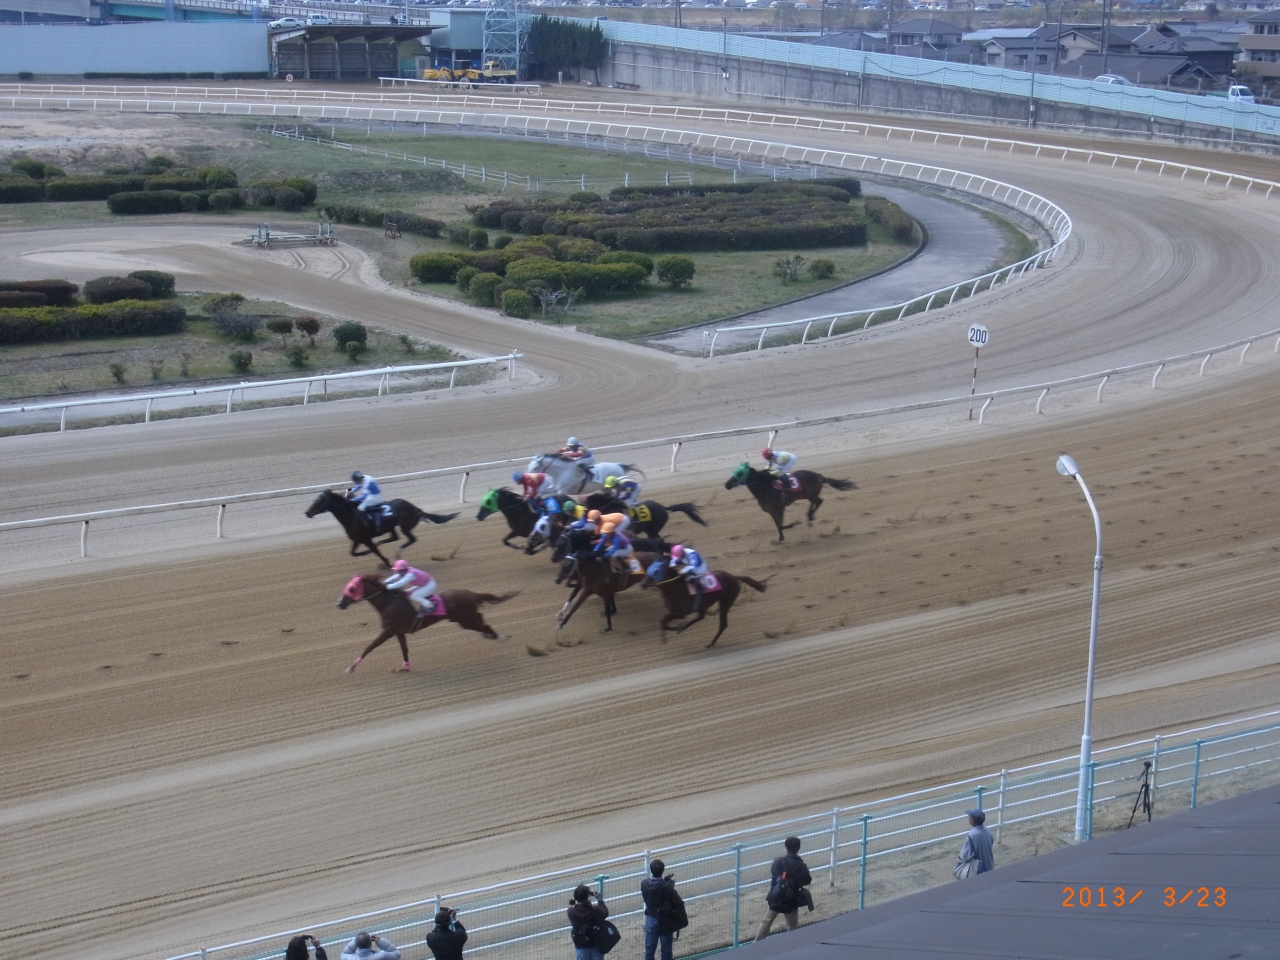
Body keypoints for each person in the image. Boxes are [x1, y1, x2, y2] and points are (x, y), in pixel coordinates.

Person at [753, 836, 813, 941]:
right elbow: (807, 880)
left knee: (765, 923)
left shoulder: (778, 861)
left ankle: (756, 944)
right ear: (798, 848)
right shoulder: (801, 865)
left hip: (775, 897)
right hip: (791, 901)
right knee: (792, 927)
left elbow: (774, 874)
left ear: (786, 847)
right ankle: (790, 947)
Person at [641, 859, 681, 960]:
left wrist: (665, 882)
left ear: (651, 870)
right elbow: (675, 901)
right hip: (665, 920)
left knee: (649, 951)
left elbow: (652, 893)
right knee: (666, 950)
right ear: (662, 871)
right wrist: (669, 885)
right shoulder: (666, 886)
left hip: (651, 919)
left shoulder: (644, 883)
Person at [566, 884, 609, 960]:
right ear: (587, 896)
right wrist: (600, 900)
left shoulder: (571, 912)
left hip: (581, 944)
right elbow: (605, 913)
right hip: (595, 943)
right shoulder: (594, 910)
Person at [669, 544, 709, 612]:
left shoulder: (692, 554)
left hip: (699, 568)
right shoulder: (679, 553)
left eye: (680, 555)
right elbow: (673, 561)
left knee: (688, 578)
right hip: (687, 564)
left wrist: (682, 571)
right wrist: (672, 565)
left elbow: (693, 567)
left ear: (683, 552)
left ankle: (700, 587)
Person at [958, 809, 995, 875]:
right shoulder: (988, 832)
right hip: (990, 867)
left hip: (978, 871)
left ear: (972, 821)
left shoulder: (971, 836)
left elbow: (964, 856)